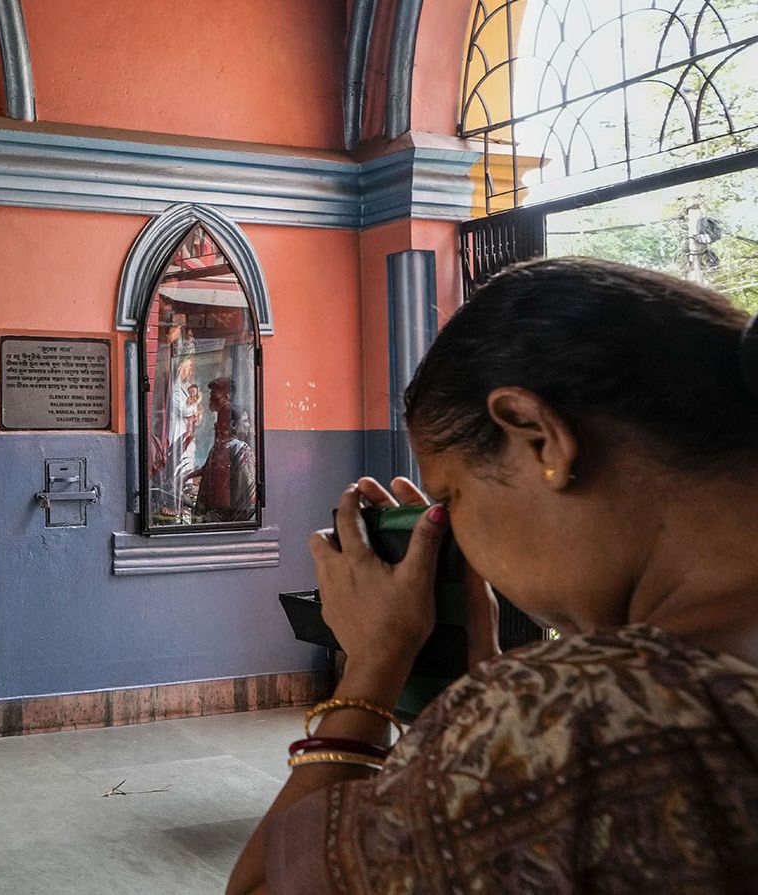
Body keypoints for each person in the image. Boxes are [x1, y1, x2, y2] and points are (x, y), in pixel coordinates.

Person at [228, 258, 758, 893]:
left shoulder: (582, 712)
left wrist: (372, 666)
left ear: (539, 438)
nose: (463, 540)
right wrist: (475, 684)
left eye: (450, 497)